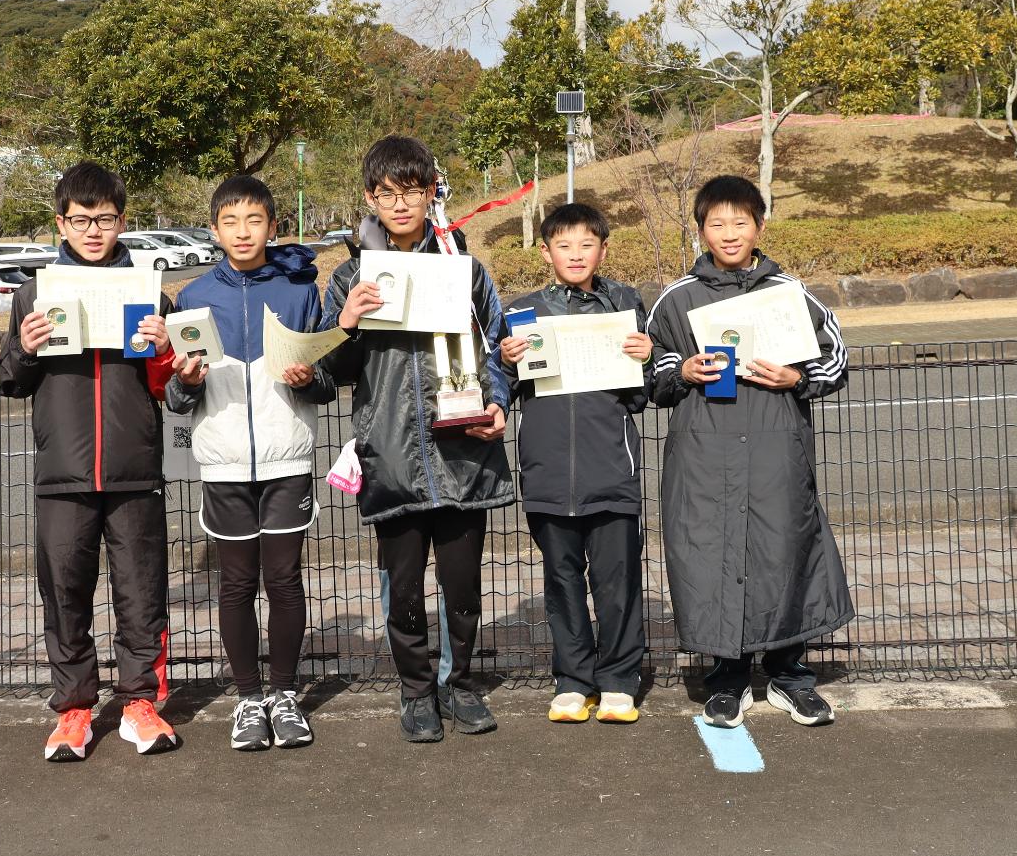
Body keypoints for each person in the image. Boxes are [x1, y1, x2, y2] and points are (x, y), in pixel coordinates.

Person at [322, 135, 514, 742]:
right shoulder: (351, 275)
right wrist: (346, 322)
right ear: (370, 198)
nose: (400, 204)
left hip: (462, 452)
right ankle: (415, 691)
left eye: (412, 191)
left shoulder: (466, 270)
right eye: (387, 193)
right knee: (401, 584)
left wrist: (499, 403)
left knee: (462, 584)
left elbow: (501, 353)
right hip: (392, 455)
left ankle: (458, 687)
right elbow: (328, 371)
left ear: (432, 193)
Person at [0, 161, 181, 762]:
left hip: (135, 471)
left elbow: (171, 389)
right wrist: (24, 348)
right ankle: (73, 710)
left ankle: (139, 703)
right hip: (63, 474)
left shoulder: (151, 290)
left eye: (105, 219)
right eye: (81, 220)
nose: (94, 231)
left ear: (123, 221)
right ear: (61, 223)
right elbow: (6, 380)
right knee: (66, 592)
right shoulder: (35, 294)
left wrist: (166, 349)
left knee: (141, 592)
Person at [646, 174, 852, 729]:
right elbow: (649, 368)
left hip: (774, 451)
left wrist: (796, 375)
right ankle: (727, 678)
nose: (730, 233)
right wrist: (682, 369)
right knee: (712, 555)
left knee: (782, 548)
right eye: (718, 223)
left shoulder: (790, 293)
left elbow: (837, 360)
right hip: (704, 454)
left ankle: (790, 676)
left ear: (760, 226)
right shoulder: (678, 297)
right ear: (701, 230)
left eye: (741, 221)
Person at [164, 174, 337, 750]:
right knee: (236, 584)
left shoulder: (298, 292)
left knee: (285, 581)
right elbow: (176, 396)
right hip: (222, 461)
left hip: (288, 455)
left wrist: (310, 377)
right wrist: (185, 382)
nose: (243, 232)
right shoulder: (191, 297)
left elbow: (327, 380)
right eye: (230, 222)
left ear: (273, 226)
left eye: (254, 220)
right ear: (214, 230)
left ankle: (284, 695)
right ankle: (247, 700)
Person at [498, 201, 652, 724]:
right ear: (545, 251)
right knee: (561, 580)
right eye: (564, 245)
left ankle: (618, 680)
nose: (576, 254)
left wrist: (644, 359)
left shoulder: (626, 305)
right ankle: (572, 679)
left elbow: (642, 396)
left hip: (612, 469)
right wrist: (506, 362)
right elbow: (504, 387)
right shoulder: (522, 312)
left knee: (618, 582)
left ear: (603, 249)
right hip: (545, 473)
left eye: (587, 244)